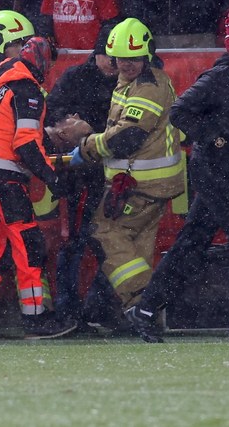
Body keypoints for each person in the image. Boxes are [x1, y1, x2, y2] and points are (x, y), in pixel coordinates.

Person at [126, 9, 229, 343]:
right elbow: (179, 113)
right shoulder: (217, 78)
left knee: (192, 244)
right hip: (215, 171)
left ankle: (144, 311)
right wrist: (214, 136)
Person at [0, 37, 78, 341]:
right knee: (29, 244)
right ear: (44, 63)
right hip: (4, 175)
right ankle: (35, 317)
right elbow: (24, 143)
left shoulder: (4, 71)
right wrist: (53, 178)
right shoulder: (28, 89)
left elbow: (12, 128)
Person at [78, 18, 185, 312]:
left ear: (146, 55)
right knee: (136, 247)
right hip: (149, 184)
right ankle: (131, 311)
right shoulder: (135, 81)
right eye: (122, 58)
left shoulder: (148, 85)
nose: (127, 64)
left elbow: (129, 136)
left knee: (104, 232)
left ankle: (143, 300)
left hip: (142, 184)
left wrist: (88, 144)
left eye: (134, 58)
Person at [44, 22, 124, 330]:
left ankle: (97, 306)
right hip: (81, 177)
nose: (115, 65)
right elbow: (52, 115)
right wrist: (75, 127)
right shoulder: (75, 78)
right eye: (110, 57)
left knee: (112, 243)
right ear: (97, 53)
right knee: (73, 243)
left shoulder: (126, 81)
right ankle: (68, 310)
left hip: (115, 176)